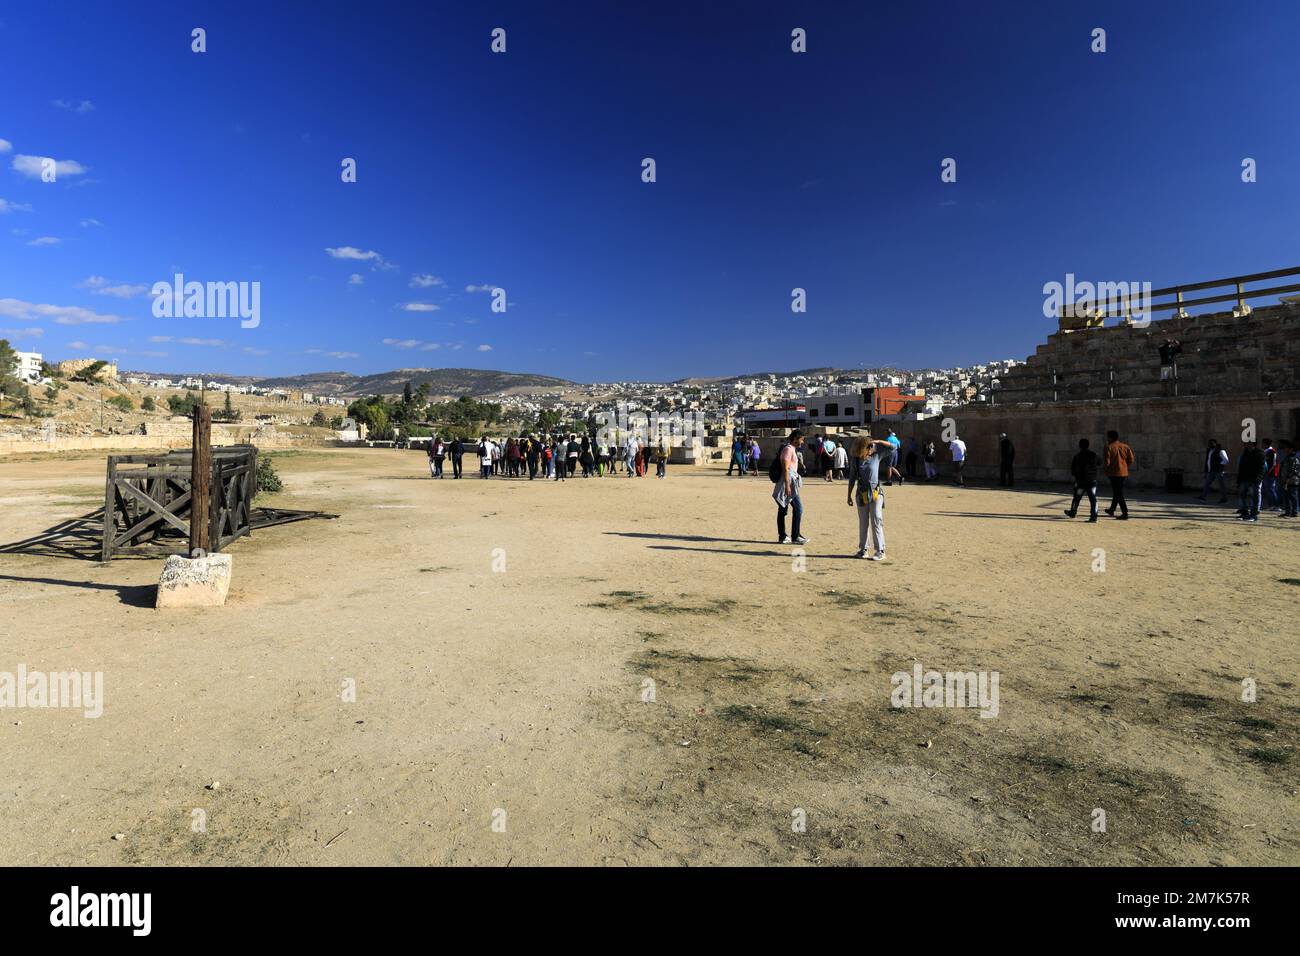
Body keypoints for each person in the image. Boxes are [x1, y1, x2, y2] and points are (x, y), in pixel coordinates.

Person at [846, 435, 895, 560]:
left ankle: (880, 550)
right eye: (869, 445)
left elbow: (893, 448)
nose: (872, 447)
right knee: (863, 523)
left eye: (872, 445)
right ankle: (863, 550)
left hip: (876, 493)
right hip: (861, 494)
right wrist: (849, 495)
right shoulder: (855, 460)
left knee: (876, 520)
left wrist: (879, 440)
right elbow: (852, 478)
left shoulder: (876, 456)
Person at [773, 430, 808, 545]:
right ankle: (793, 536)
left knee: (783, 509)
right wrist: (788, 486)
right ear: (795, 439)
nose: (802, 442)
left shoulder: (791, 449)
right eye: (801, 439)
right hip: (787, 483)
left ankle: (785, 536)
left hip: (789, 482)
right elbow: (786, 469)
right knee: (796, 509)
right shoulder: (788, 449)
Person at [1062, 438, 1100, 521]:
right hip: (1092, 480)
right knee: (1093, 499)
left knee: (1077, 497)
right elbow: (1100, 462)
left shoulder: (1077, 456)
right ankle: (1094, 516)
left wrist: (1077, 476)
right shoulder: (1094, 454)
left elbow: (1073, 470)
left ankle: (1073, 512)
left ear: (1080, 446)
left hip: (1081, 481)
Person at [1102, 429, 1134, 519]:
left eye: (1108, 436)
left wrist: (1105, 471)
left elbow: (1107, 462)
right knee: (1117, 491)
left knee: (1118, 492)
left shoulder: (1108, 447)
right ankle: (1112, 509)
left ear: (1110, 437)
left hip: (1113, 473)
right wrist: (1125, 466)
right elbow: (1131, 459)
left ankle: (1125, 512)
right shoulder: (1125, 446)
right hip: (1123, 473)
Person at [1236, 439, 1265, 522]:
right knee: (1242, 495)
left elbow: (1261, 468)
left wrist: (1258, 479)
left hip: (1254, 479)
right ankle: (1244, 513)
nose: (1244, 444)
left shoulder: (1260, 453)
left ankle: (1254, 515)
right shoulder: (1245, 453)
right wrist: (1239, 479)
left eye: (1247, 443)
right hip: (1244, 478)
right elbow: (1241, 467)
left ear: (1252, 443)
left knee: (1254, 497)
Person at [1280, 439, 1300, 518]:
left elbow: (1292, 471)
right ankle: (1287, 512)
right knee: (1286, 496)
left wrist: (1287, 481)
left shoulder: (1293, 458)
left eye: (1286, 448)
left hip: (1292, 481)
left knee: (1292, 496)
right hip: (1287, 480)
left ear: (1291, 449)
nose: (1284, 450)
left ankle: (1294, 512)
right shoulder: (1288, 458)